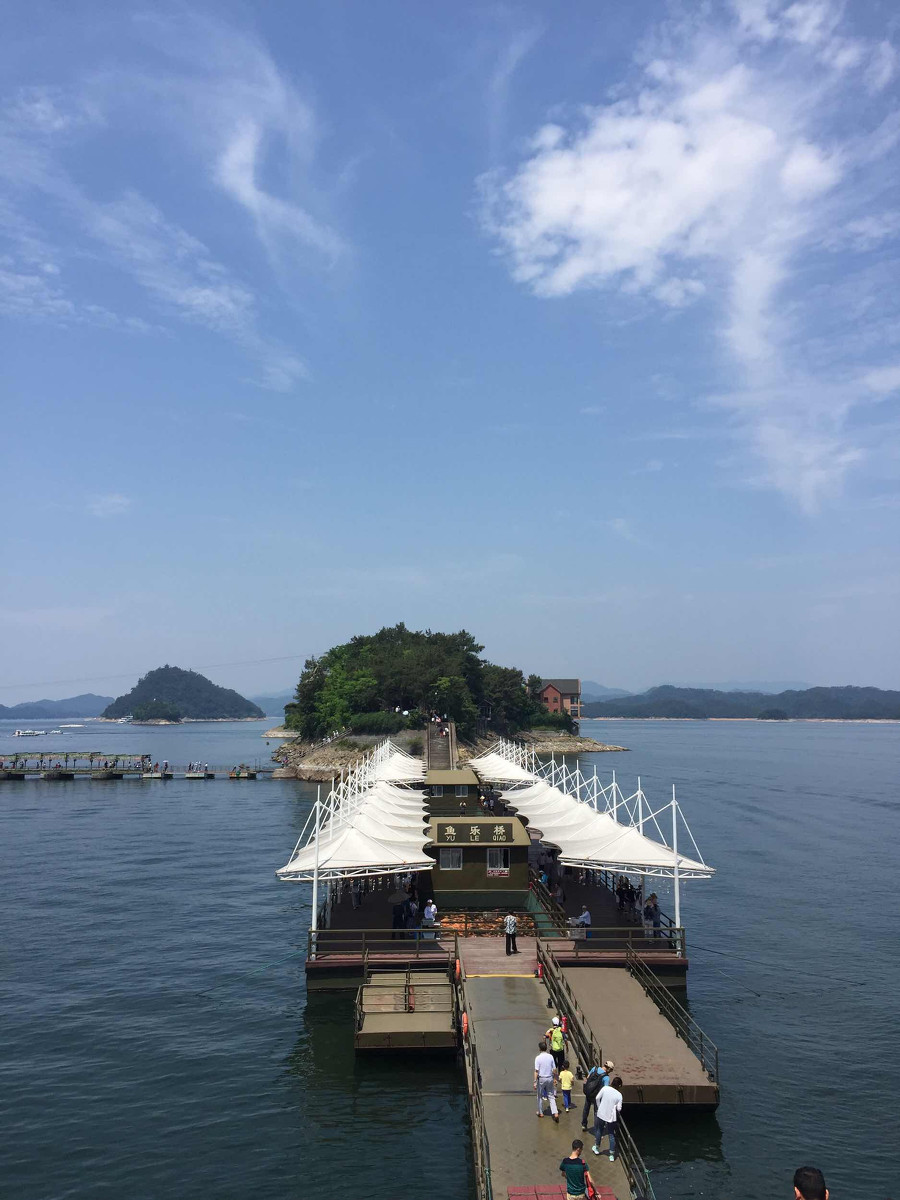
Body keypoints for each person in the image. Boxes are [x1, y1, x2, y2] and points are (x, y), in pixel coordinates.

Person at [592, 1075, 623, 1161]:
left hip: (601, 1113)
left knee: (599, 1130)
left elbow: (597, 1098)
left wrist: (599, 1107)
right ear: (619, 1086)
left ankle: (597, 1148)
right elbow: (619, 1108)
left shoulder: (605, 1088)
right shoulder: (619, 1095)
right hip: (611, 1116)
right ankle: (612, 1154)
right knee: (611, 1134)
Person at [580, 1060, 612, 1131]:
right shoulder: (606, 1077)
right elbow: (605, 1089)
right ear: (609, 1069)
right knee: (596, 1112)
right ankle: (597, 1129)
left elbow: (588, 1077)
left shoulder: (595, 1068)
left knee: (586, 1109)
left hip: (589, 1092)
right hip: (597, 1096)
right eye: (611, 1070)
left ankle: (584, 1125)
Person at [533, 1040, 559, 1122]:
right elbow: (554, 1069)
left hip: (541, 1079)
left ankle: (540, 1112)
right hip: (550, 1077)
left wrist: (534, 1082)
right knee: (551, 1096)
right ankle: (555, 1113)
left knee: (540, 1096)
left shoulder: (538, 1058)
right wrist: (555, 1078)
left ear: (540, 1049)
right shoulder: (550, 1057)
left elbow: (536, 1071)